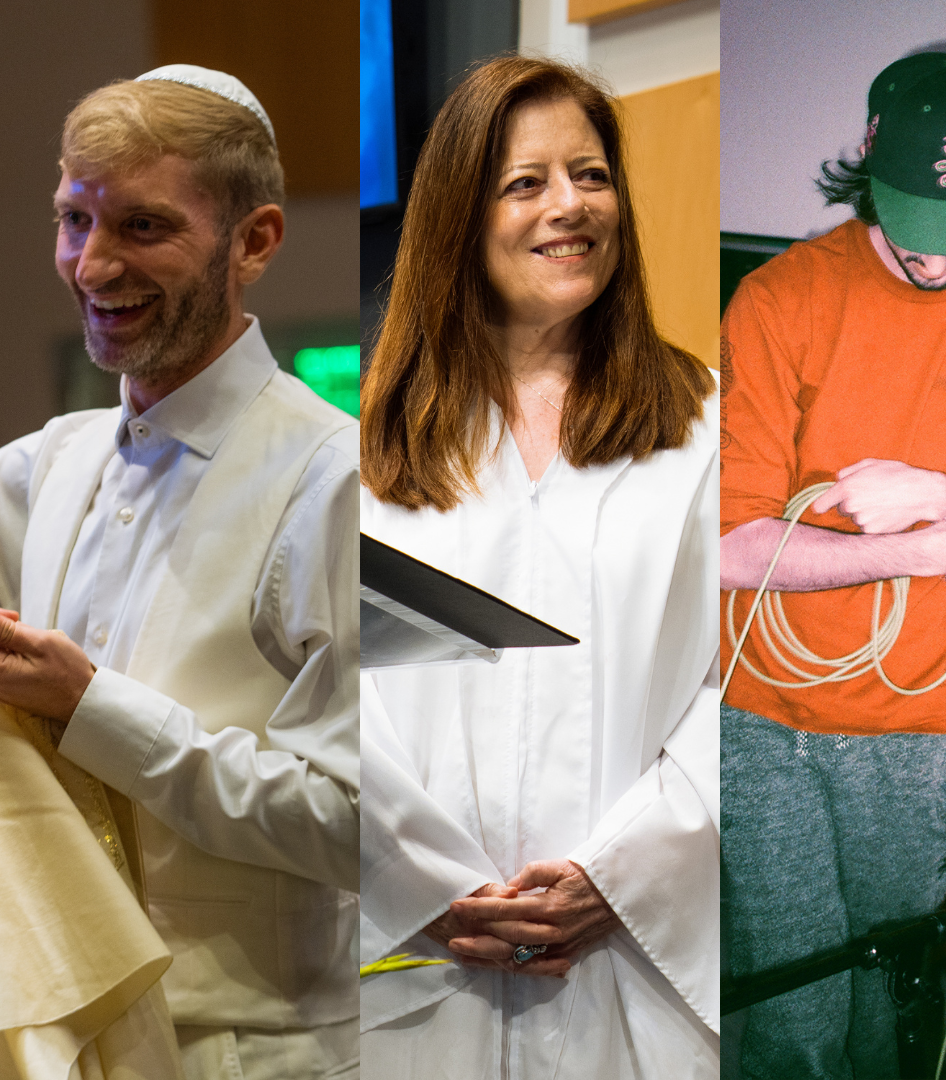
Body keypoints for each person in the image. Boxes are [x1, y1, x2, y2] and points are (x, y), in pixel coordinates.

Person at [0, 65, 507, 1079]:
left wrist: (94, 709)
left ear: (256, 242)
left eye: (143, 228)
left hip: (256, 1055)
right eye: (73, 220)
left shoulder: (331, 480)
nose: (93, 267)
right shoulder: (43, 467)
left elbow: (356, 821)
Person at [348, 56, 723, 1078]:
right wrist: (423, 884)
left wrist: (627, 872)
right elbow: (325, 696)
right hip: (427, 973)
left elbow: (746, 681)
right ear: (458, 218)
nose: (571, 206)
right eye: (527, 183)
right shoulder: (368, 458)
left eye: (592, 175)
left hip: (633, 972)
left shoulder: (708, 428)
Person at [718, 51, 946, 1079]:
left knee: (893, 980)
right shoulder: (782, 301)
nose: (936, 259)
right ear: (870, 156)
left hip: (916, 726)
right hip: (769, 718)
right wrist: (937, 550)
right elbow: (740, 547)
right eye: (917, 224)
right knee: (792, 1005)